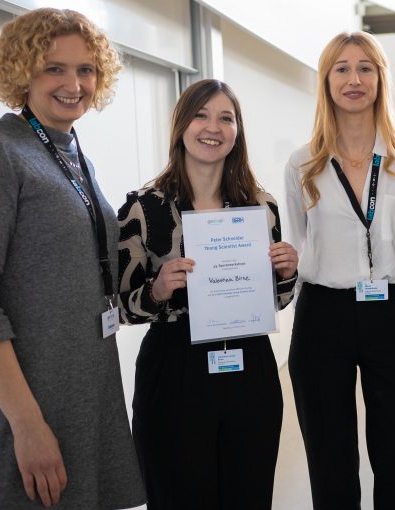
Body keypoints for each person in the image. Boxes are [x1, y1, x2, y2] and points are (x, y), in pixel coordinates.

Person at [0, 8, 145, 510]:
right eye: (54, 68)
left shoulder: (74, 153)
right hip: (26, 409)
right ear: (22, 71)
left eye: (85, 70)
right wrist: (27, 425)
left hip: (87, 397)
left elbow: (80, 274)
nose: (73, 83)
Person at [117, 78, 298, 510]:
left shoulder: (260, 207)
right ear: (181, 124)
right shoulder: (143, 208)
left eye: (225, 118)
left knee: (249, 495)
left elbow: (274, 301)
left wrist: (287, 274)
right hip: (173, 370)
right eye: (200, 114)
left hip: (249, 366)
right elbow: (122, 307)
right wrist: (158, 289)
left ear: (237, 132)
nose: (212, 127)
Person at [284, 32, 395, 509]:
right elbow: (301, 241)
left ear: (380, 78)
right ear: (326, 81)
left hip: (387, 308)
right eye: (341, 68)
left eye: (365, 67)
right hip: (322, 311)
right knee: (329, 455)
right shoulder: (302, 162)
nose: (354, 78)